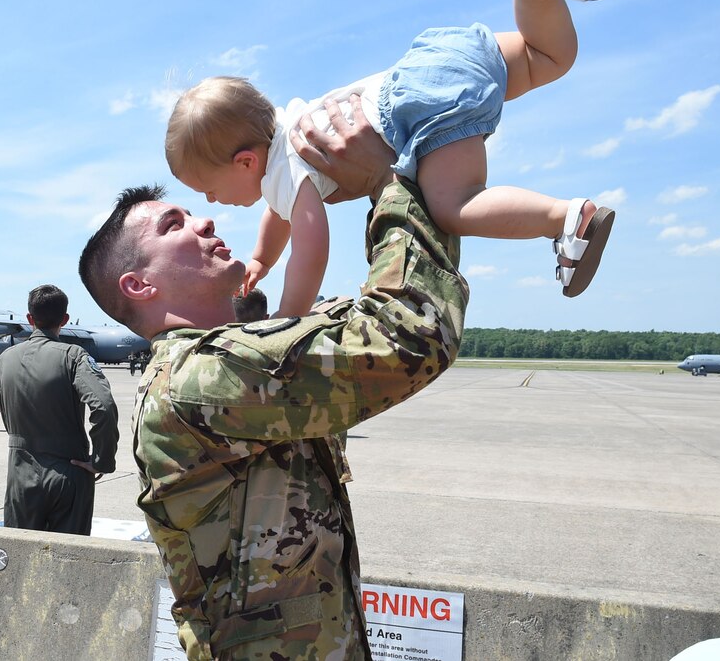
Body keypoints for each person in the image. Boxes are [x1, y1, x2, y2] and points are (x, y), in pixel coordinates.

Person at [79, 94, 465, 658]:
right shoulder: (198, 378)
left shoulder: (231, 355)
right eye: (174, 224)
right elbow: (409, 334)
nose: (205, 218)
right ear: (140, 285)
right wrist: (390, 183)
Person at [165, 0, 615, 317]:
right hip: (433, 60)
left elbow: (311, 246)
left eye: (207, 188)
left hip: (421, 109)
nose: (209, 202)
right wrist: (262, 258)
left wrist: (288, 317)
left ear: (245, 161)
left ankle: (566, 219)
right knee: (549, 58)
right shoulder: (288, 128)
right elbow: (278, 213)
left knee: (454, 207)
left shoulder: (288, 169)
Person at [0, 285, 119, 535]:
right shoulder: (74, 356)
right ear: (64, 319)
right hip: (70, 471)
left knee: (21, 555)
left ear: (30, 319)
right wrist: (101, 460)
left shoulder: (5, 359)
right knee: (70, 560)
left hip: (22, 474)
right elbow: (103, 407)